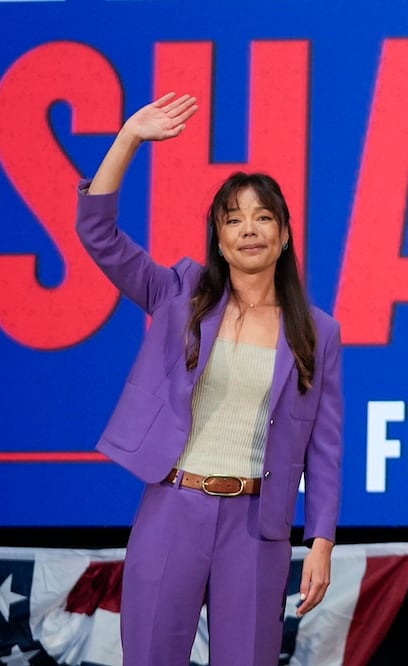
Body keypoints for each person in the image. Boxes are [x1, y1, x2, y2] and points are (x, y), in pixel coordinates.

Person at [76, 93, 344, 665]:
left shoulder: (318, 333)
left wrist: (320, 540)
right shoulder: (178, 294)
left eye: (264, 216)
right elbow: (98, 234)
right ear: (219, 240)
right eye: (234, 218)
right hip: (174, 505)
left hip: (256, 527)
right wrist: (128, 138)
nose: (249, 229)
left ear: (286, 235)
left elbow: (325, 448)